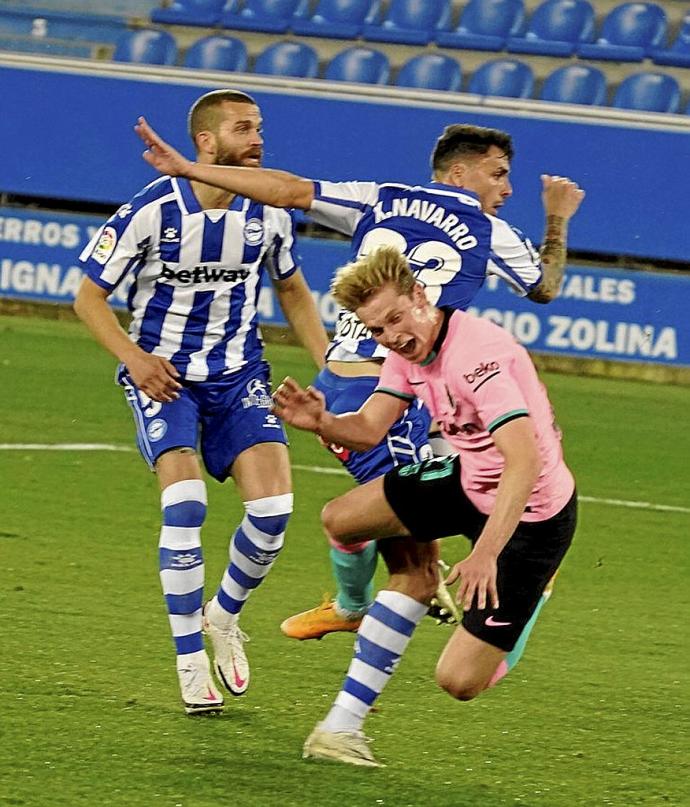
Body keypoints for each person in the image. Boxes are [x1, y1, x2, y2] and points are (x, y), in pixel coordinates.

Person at [133, 116, 584, 640]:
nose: (506, 189)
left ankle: (394, 601)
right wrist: (557, 218)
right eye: (498, 174)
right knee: (402, 518)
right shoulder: (491, 232)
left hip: (371, 385)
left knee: (402, 519)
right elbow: (545, 285)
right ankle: (397, 597)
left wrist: (191, 170)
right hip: (379, 386)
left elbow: (288, 190)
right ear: (459, 173)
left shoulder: (380, 197)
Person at [271, 246, 578, 767]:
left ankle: (531, 597)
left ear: (420, 296)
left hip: (531, 516)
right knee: (341, 519)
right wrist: (321, 421)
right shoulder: (405, 352)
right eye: (376, 330)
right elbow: (369, 429)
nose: (390, 336)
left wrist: (484, 554)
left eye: (394, 318)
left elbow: (523, 464)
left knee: (458, 682)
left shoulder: (477, 357)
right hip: (468, 482)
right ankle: (351, 619)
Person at [74, 89, 329, 715]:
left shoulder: (268, 211)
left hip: (240, 375)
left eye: (261, 127)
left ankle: (222, 617)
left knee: (273, 513)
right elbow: (87, 297)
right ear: (206, 144)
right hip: (166, 379)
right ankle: (190, 659)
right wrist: (135, 360)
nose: (258, 138)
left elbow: (292, 289)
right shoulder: (150, 212)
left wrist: (331, 371)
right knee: (185, 505)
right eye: (244, 128)